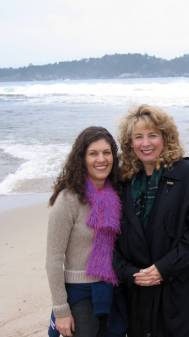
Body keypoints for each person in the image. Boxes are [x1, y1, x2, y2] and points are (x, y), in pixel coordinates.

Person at [113, 104, 189, 337]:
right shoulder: (123, 179)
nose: (145, 143)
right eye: (138, 137)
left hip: (177, 286)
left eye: (152, 135)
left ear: (166, 137)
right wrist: (129, 273)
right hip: (135, 289)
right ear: (129, 143)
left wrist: (163, 268)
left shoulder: (187, 173)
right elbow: (109, 236)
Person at [46, 126, 124, 337]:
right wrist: (61, 311)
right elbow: (53, 259)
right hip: (79, 294)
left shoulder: (117, 194)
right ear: (81, 158)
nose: (101, 159)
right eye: (93, 153)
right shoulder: (67, 199)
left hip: (111, 287)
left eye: (106, 152)